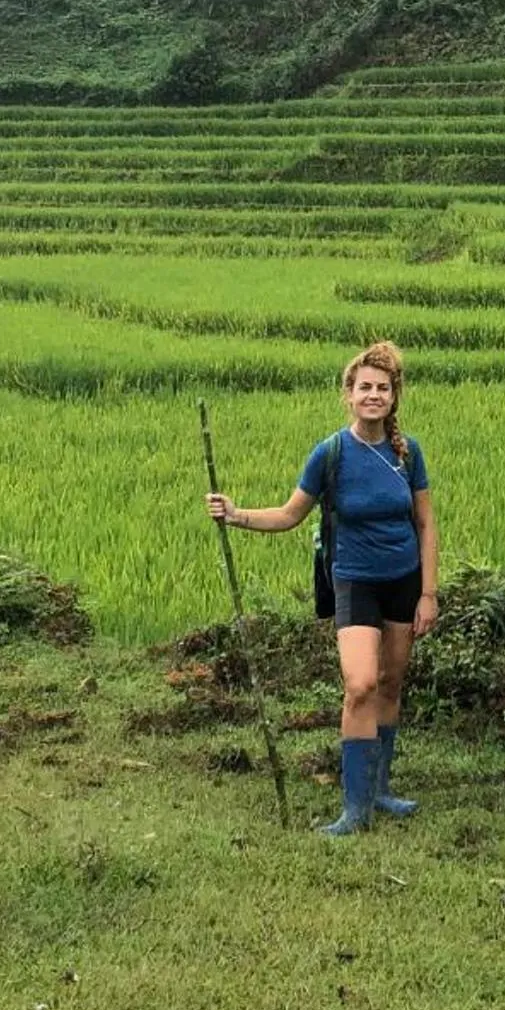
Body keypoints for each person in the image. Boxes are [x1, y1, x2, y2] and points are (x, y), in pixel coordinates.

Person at [206, 340, 437, 835]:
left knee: (392, 683)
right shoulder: (331, 453)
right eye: (364, 388)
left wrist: (428, 593)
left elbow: (426, 524)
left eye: (383, 388)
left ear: (394, 397)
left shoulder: (407, 452)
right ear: (348, 395)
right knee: (360, 685)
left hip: (404, 578)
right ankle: (354, 811)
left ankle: (380, 791)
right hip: (354, 579)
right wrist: (236, 514)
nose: (373, 396)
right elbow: (291, 514)